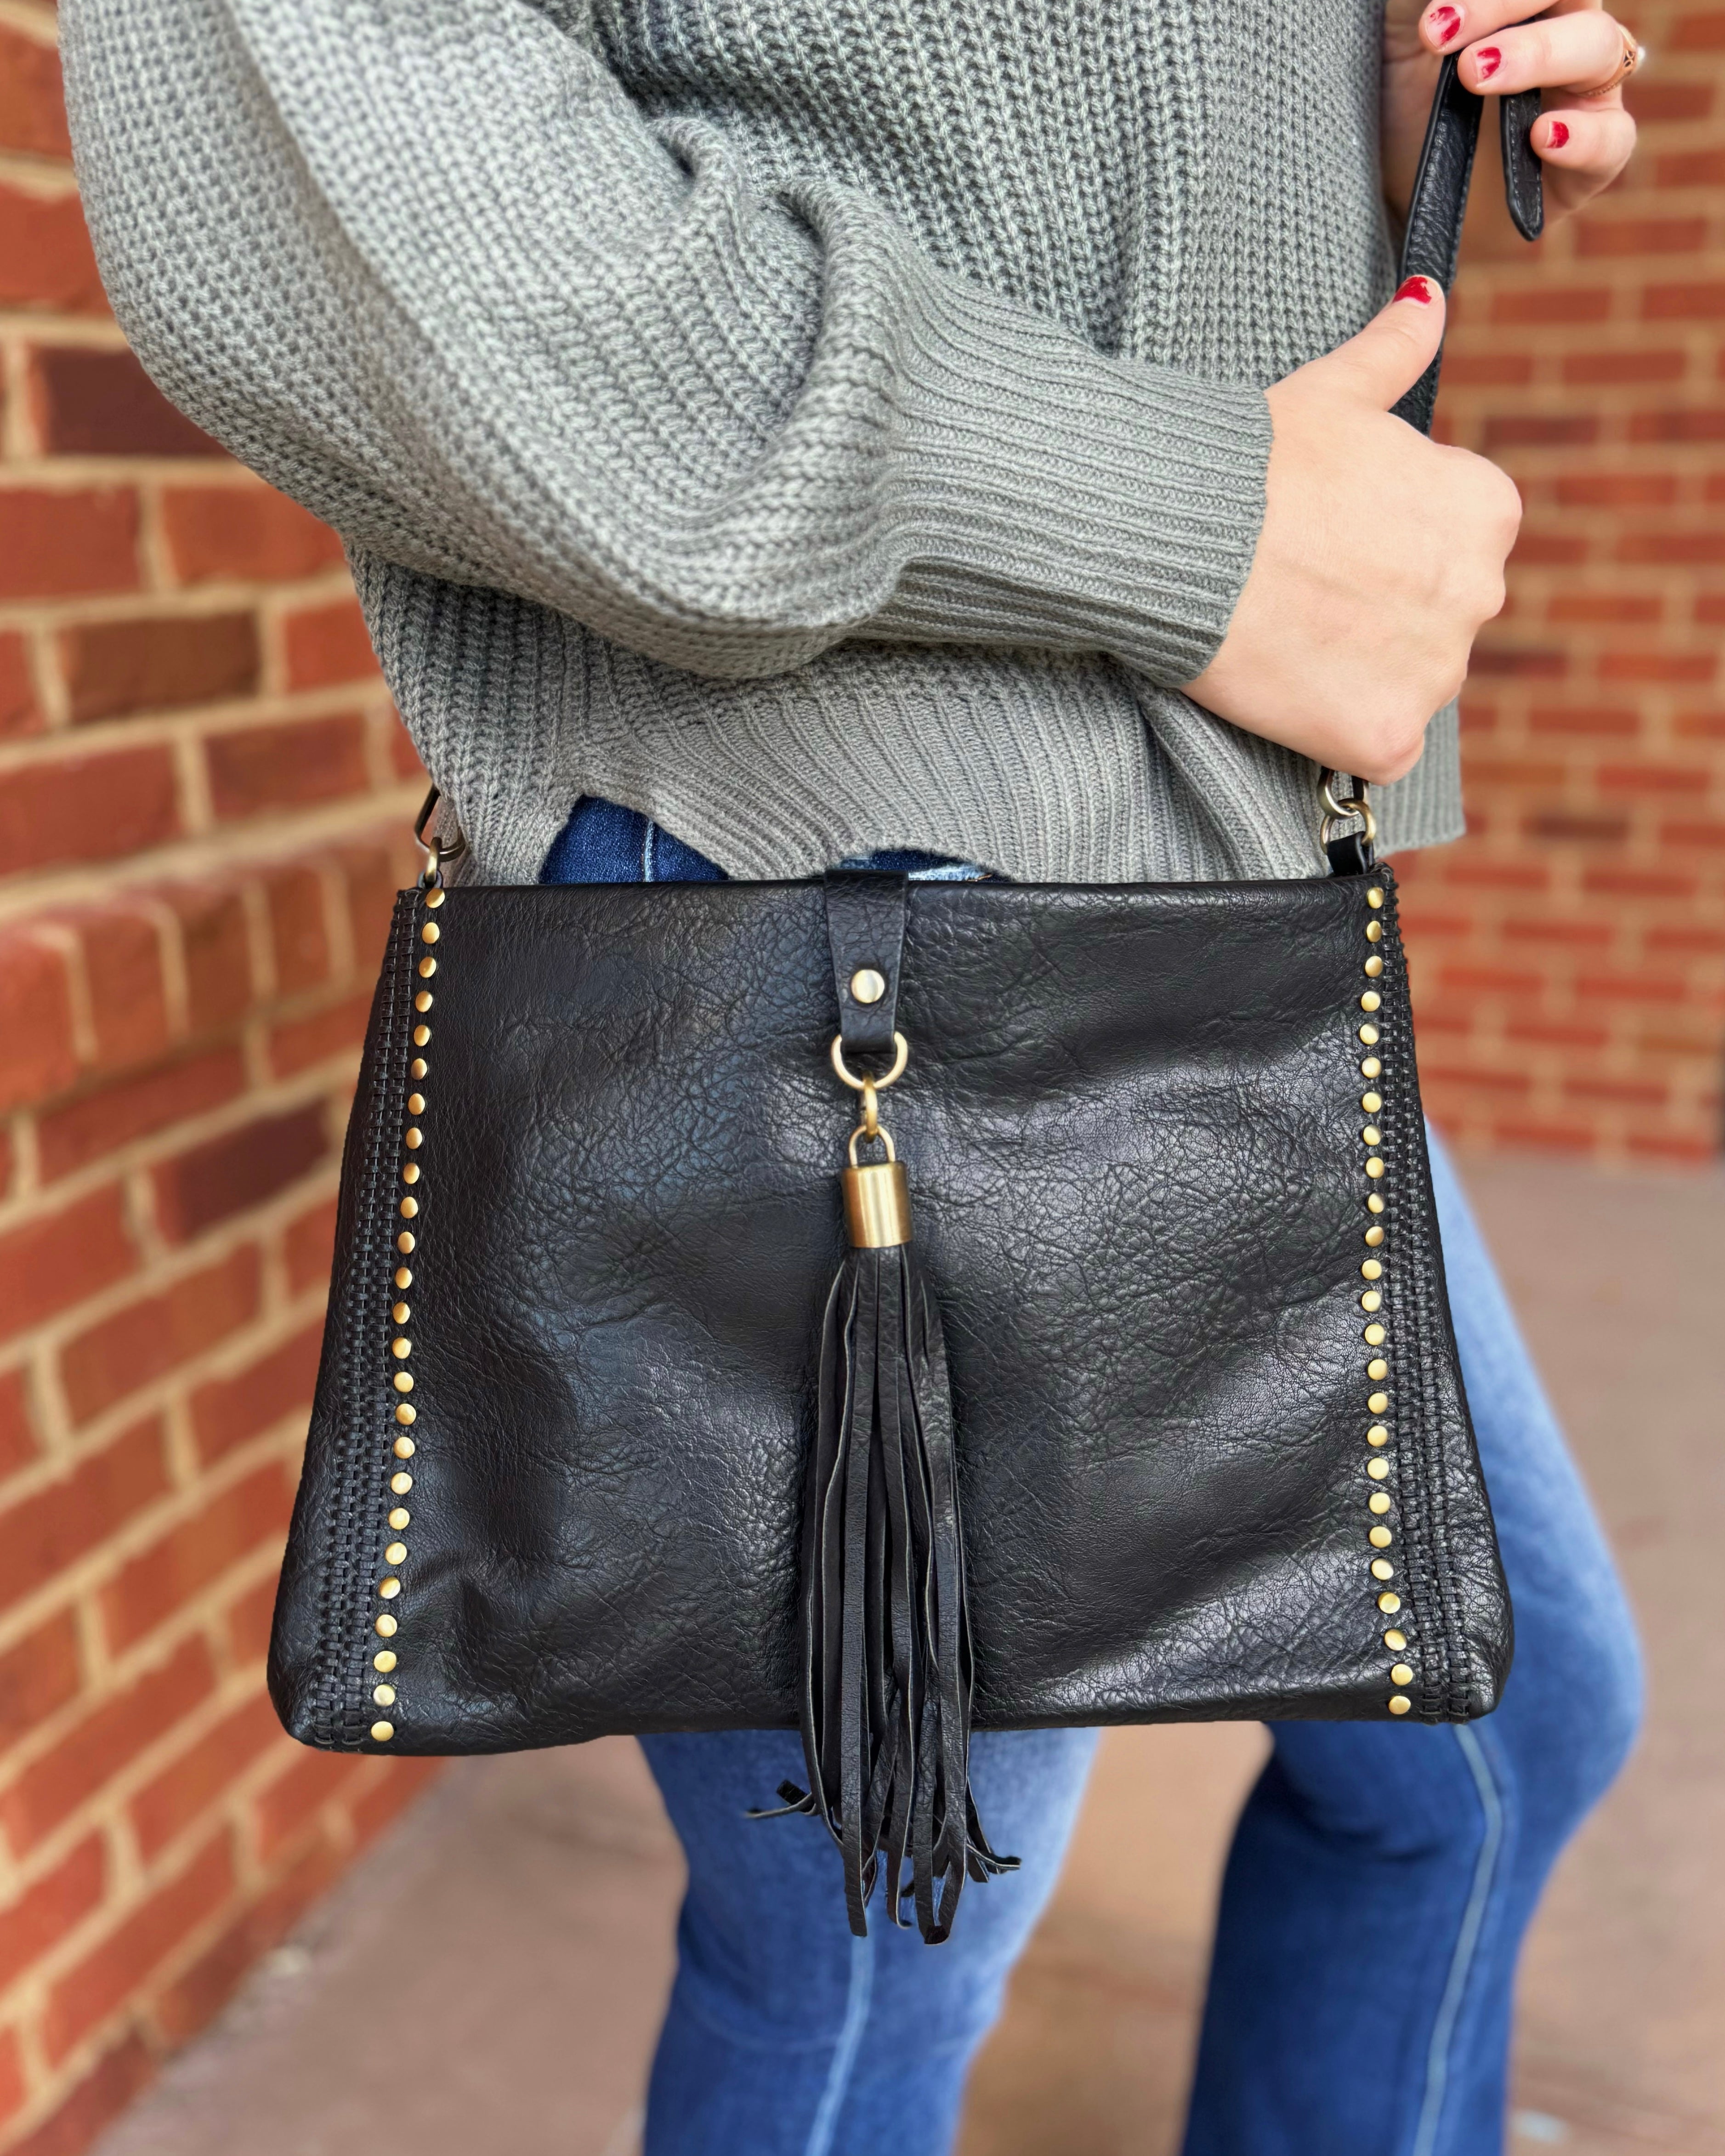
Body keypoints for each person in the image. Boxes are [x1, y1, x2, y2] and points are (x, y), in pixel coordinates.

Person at [62, 0, 1644, 2147]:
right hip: (801, 898)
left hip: (1213, 895)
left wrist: (1346, 96)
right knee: (882, 1932)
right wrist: (1195, 522)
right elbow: (361, 222)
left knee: (1506, 1736)